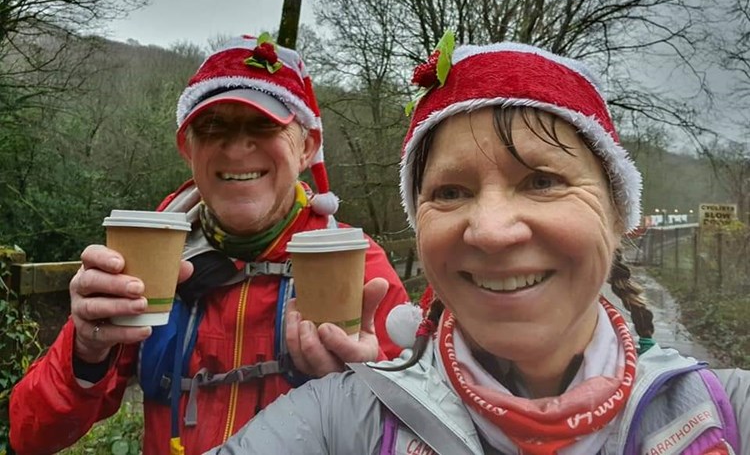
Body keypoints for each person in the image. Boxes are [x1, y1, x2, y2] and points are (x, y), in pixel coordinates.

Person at [203, 36, 750, 455]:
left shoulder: (725, 415)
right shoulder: (342, 421)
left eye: (541, 181)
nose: (489, 230)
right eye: (451, 191)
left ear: (617, 214)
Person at [9, 33, 410, 455]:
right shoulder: (146, 260)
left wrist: (362, 389)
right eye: (213, 125)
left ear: (306, 146)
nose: (237, 147)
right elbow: (30, 437)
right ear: (188, 147)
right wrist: (86, 350)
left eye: (264, 124)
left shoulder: (357, 268)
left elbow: (417, 433)